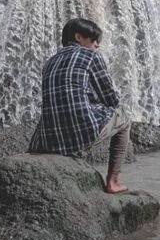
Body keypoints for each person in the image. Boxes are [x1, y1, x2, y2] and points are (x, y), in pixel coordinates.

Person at [29, 17, 131, 193]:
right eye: (94, 40)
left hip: (47, 140)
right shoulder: (90, 56)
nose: (97, 45)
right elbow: (110, 99)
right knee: (125, 119)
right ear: (78, 37)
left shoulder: (50, 61)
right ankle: (113, 181)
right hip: (79, 132)